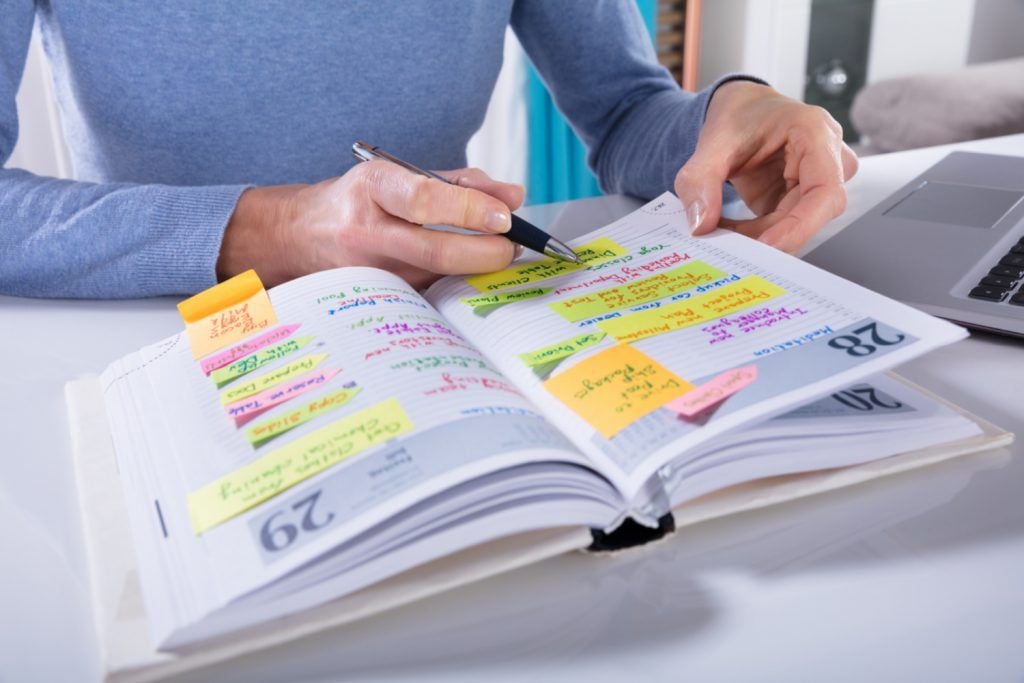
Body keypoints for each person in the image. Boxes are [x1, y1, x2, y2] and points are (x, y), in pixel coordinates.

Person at [0, 1, 856, 298]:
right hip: (158, 333)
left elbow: (629, 110)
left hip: (434, 319)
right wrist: (272, 228)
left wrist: (730, 115)